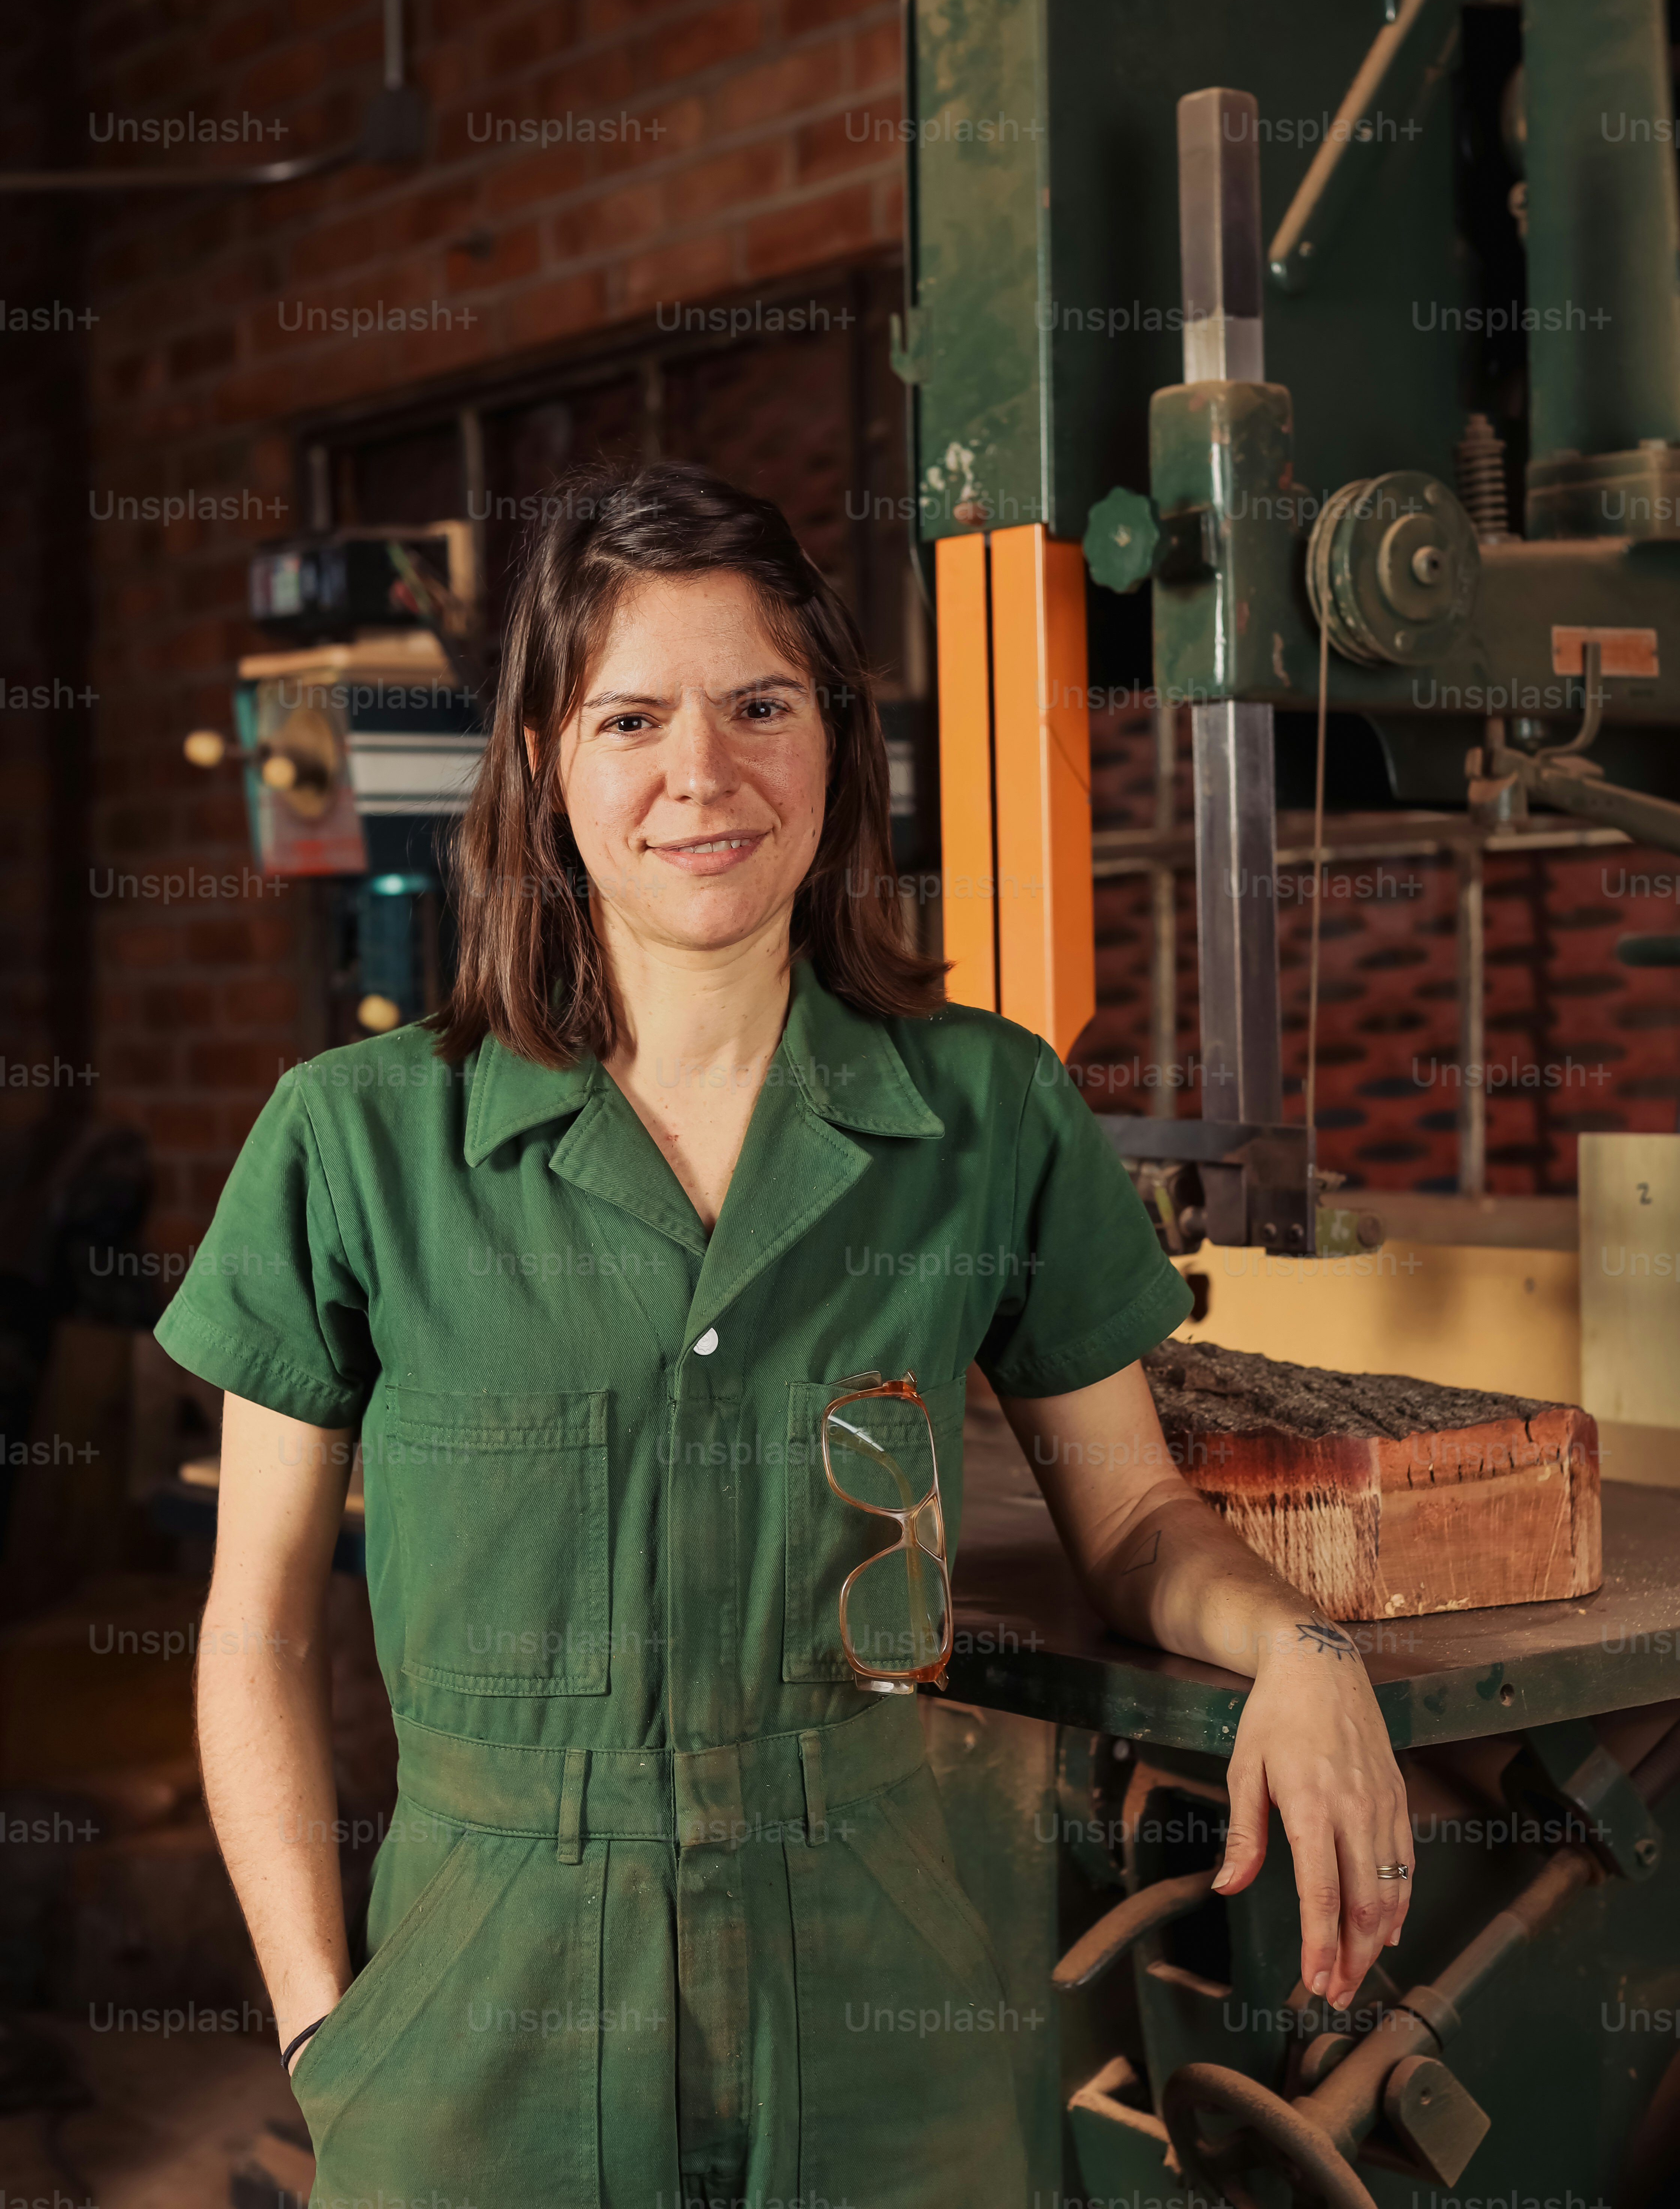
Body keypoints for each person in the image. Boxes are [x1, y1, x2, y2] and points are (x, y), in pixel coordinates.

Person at [161, 462, 1412, 2209]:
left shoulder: (987, 1115)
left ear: (836, 735)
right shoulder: (353, 1142)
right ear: (540, 762)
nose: (703, 775)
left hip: (892, 2037)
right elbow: (255, 1631)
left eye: (759, 704)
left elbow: (1130, 1524)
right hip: (479, 2055)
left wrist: (1301, 1651)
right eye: (629, 718)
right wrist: (321, 2029)